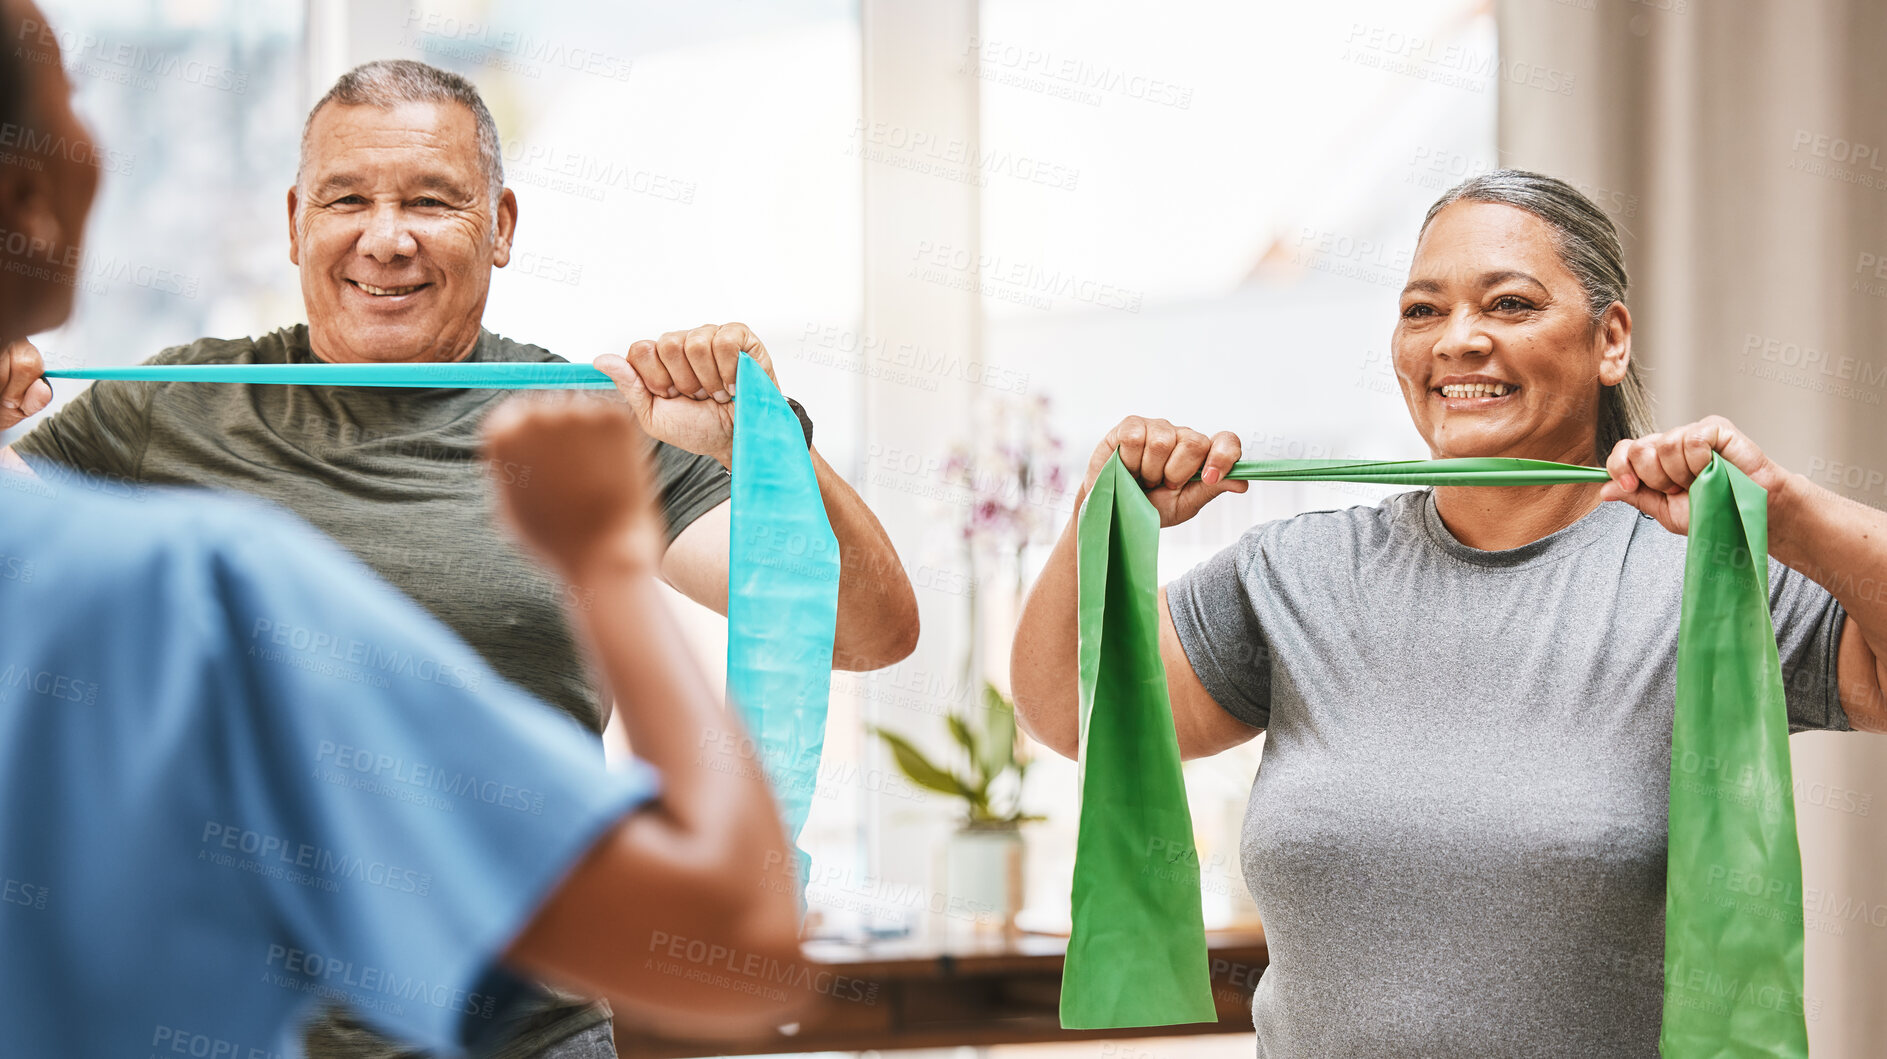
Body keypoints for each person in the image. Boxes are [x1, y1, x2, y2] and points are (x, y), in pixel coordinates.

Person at [0, 52, 916, 1059]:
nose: (386, 239)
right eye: (348, 198)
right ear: (296, 220)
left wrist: (769, 441)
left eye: (432, 201)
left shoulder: (591, 423)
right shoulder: (163, 410)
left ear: (503, 226)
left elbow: (868, 633)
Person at [1010, 170, 1887, 1056]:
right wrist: (1099, 515)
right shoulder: (1296, 573)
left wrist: (1793, 513)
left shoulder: (1708, 586)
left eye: (1508, 304)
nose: (1458, 341)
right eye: (1423, 310)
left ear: (1608, 339)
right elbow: (1061, 708)